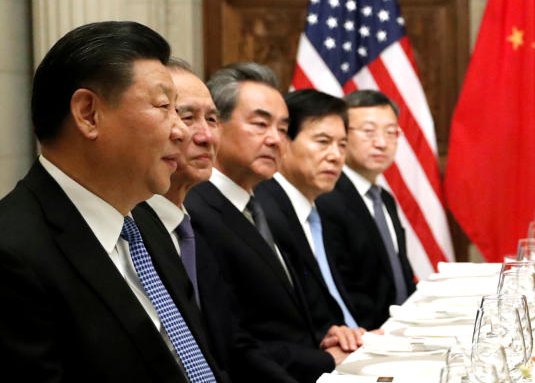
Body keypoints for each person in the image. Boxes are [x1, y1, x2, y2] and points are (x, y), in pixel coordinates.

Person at [0, 21, 227, 381]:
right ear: (88, 114)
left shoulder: (145, 224)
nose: (182, 131)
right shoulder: (13, 254)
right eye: (165, 106)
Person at [184, 63, 354, 383]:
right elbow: (231, 340)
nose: (275, 139)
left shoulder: (266, 204)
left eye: (283, 128)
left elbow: (288, 309)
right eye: (261, 124)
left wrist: (328, 333)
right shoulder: (195, 211)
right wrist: (321, 359)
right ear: (215, 125)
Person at [139, 59, 295, 382]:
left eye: (212, 119)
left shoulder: (187, 225)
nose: (207, 136)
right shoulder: (138, 229)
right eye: (186, 116)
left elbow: (227, 340)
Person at [254, 89, 366, 335]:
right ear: (284, 141)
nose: (336, 156)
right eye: (323, 142)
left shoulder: (317, 209)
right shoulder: (264, 210)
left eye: (342, 145)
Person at [318, 89, 417, 329]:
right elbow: (340, 286)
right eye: (368, 132)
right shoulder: (327, 198)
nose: (381, 143)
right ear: (342, 135)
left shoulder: (383, 198)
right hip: (365, 337)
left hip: (403, 331)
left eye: (391, 132)